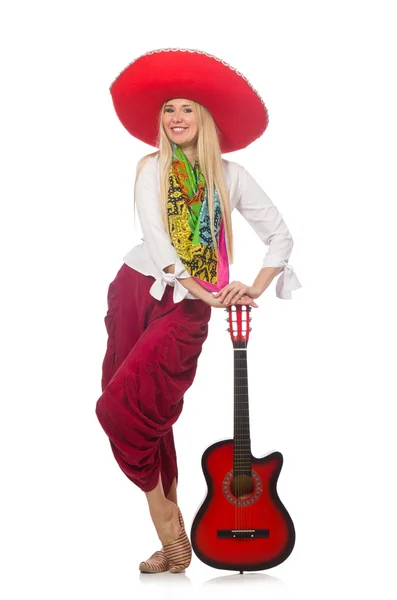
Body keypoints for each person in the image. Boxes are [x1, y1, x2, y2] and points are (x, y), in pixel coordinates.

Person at [95, 48, 302, 575]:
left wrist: (246, 288)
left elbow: (279, 234)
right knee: (138, 412)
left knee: (134, 409)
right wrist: (202, 287)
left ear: (205, 119)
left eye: (187, 109)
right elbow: (157, 237)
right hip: (135, 288)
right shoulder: (151, 168)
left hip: (187, 310)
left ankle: (171, 530)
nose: (177, 119)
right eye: (169, 110)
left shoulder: (231, 176)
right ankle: (172, 540)